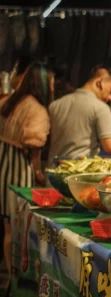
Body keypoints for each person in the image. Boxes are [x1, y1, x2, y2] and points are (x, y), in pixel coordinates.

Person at [1, 63, 54, 278]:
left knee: (7, 227)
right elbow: (34, 145)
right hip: (19, 168)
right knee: (20, 227)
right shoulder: (37, 110)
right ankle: (18, 276)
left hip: (2, 164)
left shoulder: (7, 102)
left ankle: (10, 273)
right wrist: (39, 172)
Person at [48, 66, 111, 159]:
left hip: (53, 168)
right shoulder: (100, 108)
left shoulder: (55, 105)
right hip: (80, 170)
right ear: (99, 83)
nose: (110, 97)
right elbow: (110, 147)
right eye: (110, 91)